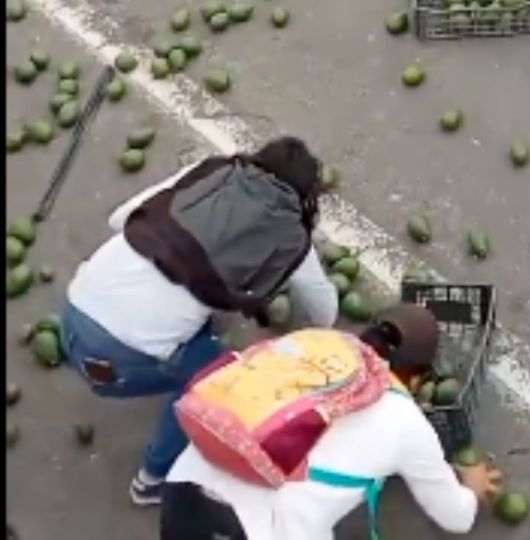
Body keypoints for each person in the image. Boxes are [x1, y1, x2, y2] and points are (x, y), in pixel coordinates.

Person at [59, 137, 340, 506]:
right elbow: (324, 313)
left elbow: (121, 220)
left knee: (199, 305)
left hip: (70, 317)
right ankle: (152, 481)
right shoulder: (290, 237)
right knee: (223, 379)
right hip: (117, 364)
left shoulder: (209, 174)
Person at [161, 304, 503, 540]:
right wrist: (469, 489)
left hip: (181, 491)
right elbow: (455, 519)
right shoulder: (406, 422)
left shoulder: (315, 343)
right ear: (416, 378)